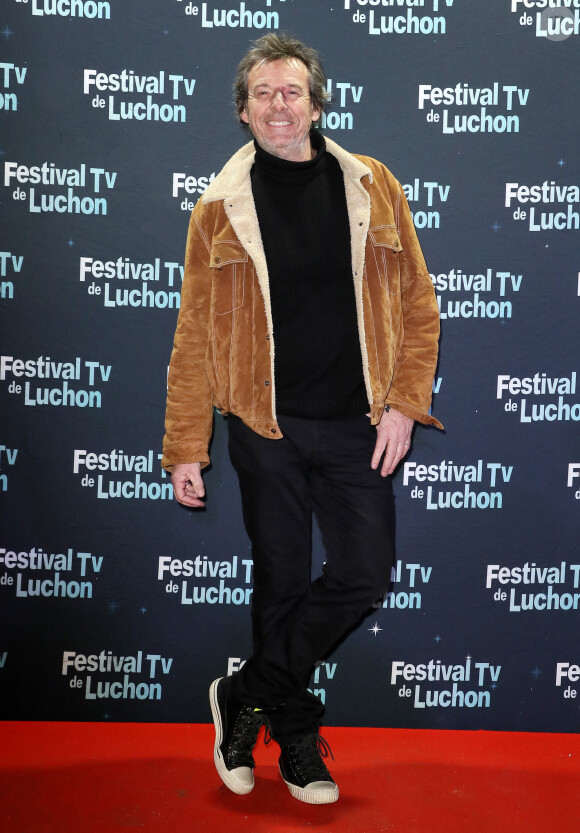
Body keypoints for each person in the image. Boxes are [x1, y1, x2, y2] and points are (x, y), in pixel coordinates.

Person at [162, 33, 442, 805]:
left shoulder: (373, 185)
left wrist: (404, 404)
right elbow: (193, 333)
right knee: (281, 582)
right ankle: (293, 740)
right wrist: (187, 443)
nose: (278, 105)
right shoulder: (217, 209)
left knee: (363, 573)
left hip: (358, 422)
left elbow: (418, 304)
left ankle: (242, 695)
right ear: (243, 112)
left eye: (291, 91)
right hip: (265, 425)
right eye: (262, 93)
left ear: (317, 103)